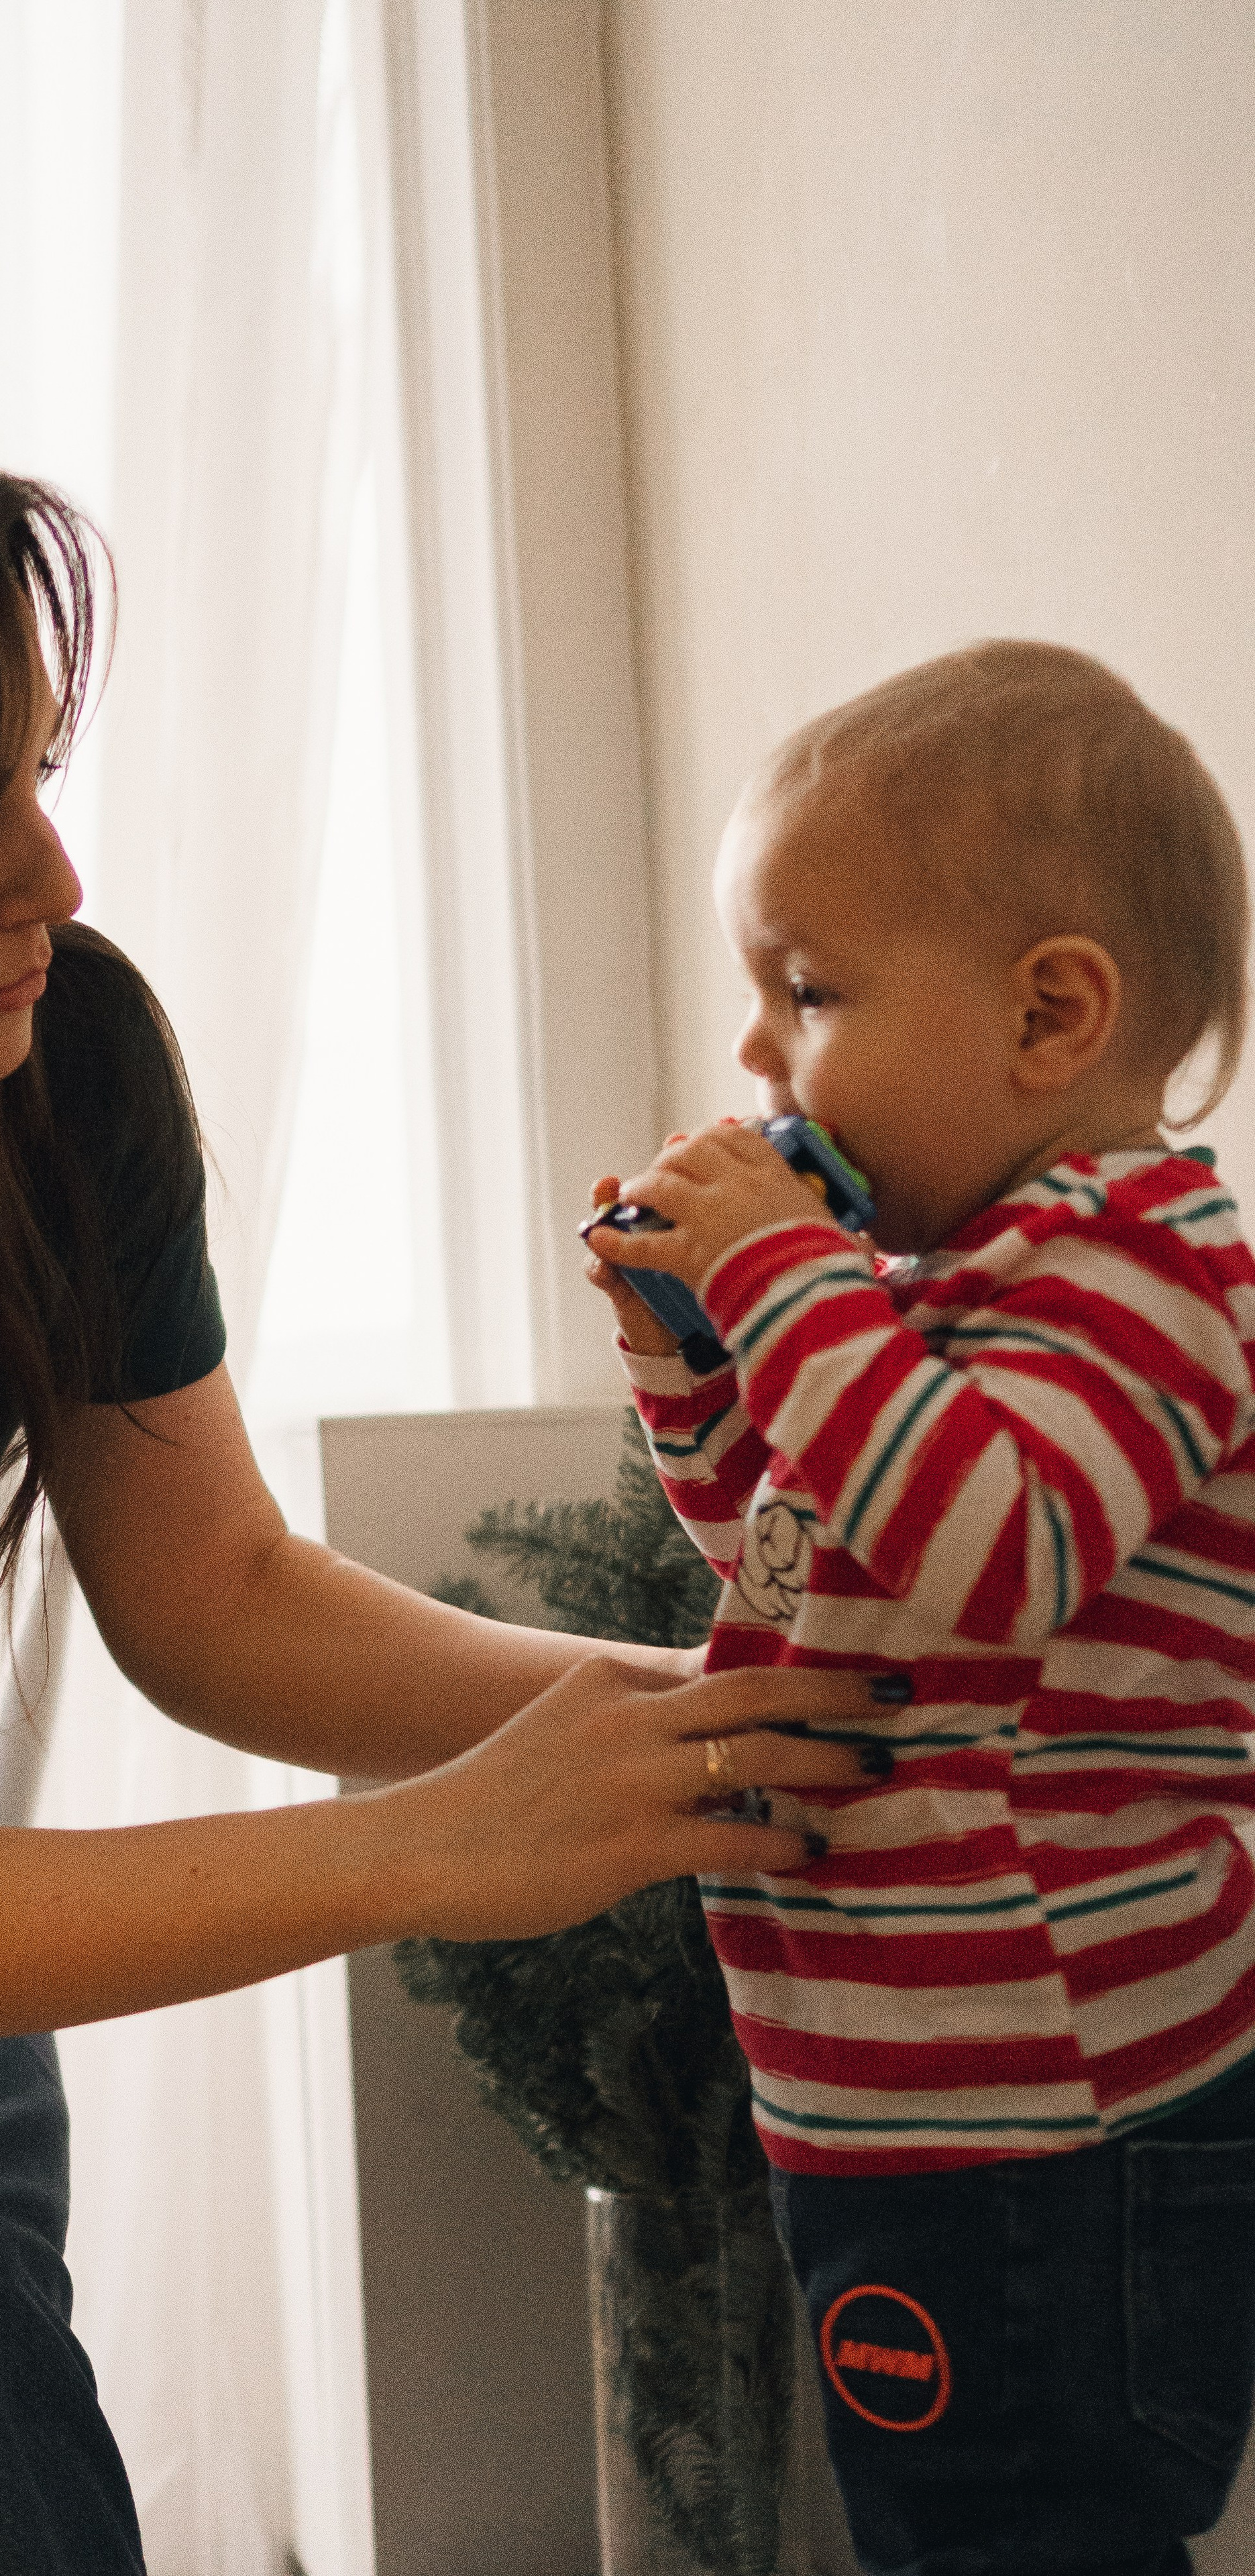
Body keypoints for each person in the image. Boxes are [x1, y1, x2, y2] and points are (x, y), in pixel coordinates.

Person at [0, 388, 881, 2576]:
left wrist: (681, 1715)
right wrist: (437, 1855)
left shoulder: (45, 1077)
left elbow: (221, 1596)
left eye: (38, 778)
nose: (52, 881)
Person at [585, 638, 1255, 2576]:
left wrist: (793, 1282)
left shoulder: (1137, 1270)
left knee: (1020, 2537)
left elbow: (992, 1559)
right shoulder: (936, 1303)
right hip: (907, 2098)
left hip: (1058, 2114)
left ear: (1054, 1017)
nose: (759, 1058)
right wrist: (698, 1372)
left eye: (809, 990)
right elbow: (801, 1577)